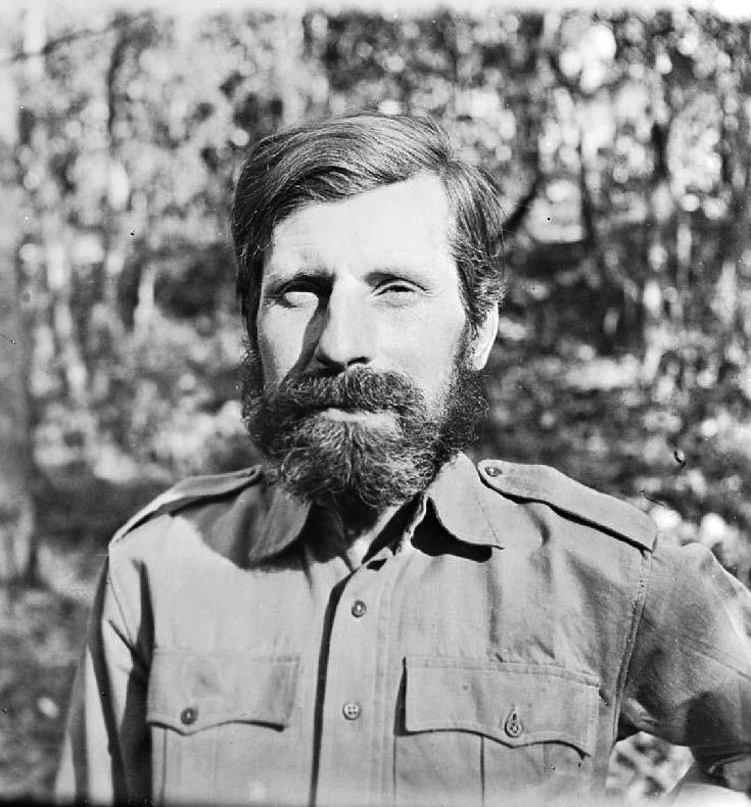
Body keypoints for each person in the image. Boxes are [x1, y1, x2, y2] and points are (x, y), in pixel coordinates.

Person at [55, 113, 751, 807]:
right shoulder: (158, 567)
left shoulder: (603, 570)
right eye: (300, 291)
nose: (342, 343)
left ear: (479, 329)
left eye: (396, 289)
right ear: (251, 325)